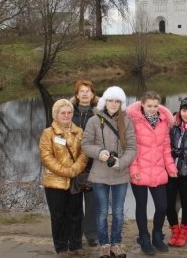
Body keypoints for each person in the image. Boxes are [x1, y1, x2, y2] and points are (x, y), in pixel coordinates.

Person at [82, 86, 137, 258]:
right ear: (105, 101)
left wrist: (121, 162)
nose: (113, 104)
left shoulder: (126, 122)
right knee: (102, 212)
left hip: (120, 173)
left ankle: (116, 243)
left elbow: (132, 148)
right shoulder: (94, 121)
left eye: (117, 101)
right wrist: (99, 153)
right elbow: (85, 145)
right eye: (111, 100)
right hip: (100, 174)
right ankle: (104, 244)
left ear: (122, 103)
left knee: (119, 212)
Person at [127, 91, 178, 255]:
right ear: (142, 104)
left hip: (158, 170)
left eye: (155, 106)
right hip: (139, 170)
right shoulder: (134, 121)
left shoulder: (164, 122)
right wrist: (133, 169)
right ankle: (144, 238)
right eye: (149, 106)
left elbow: (166, 148)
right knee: (141, 206)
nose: (152, 109)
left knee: (162, 206)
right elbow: (131, 148)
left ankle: (157, 235)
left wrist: (171, 168)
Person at [39, 99, 88, 257]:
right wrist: (66, 171)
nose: (66, 115)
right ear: (56, 115)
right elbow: (46, 157)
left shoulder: (79, 131)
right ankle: (61, 247)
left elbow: (84, 154)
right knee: (58, 215)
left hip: (75, 180)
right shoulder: (48, 133)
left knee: (76, 213)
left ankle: (76, 245)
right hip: (54, 182)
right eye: (63, 113)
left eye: (69, 112)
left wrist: (75, 169)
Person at [166, 96, 187, 247]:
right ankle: (175, 230)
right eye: (184, 110)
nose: (186, 114)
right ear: (180, 111)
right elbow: (165, 144)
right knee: (169, 203)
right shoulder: (173, 125)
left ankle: (184, 232)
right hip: (171, 170)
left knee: (186, 202)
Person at [71, 79, 99, 248]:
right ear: (76, 94)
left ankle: (91, 234)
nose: (85, 93)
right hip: (73, 164)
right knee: (74, 202)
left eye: (88, 90)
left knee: (92, 203)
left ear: (93, 94)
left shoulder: (98, 113)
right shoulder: (67, 112)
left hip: (93, 164)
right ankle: (76, 233)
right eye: (81, 91)